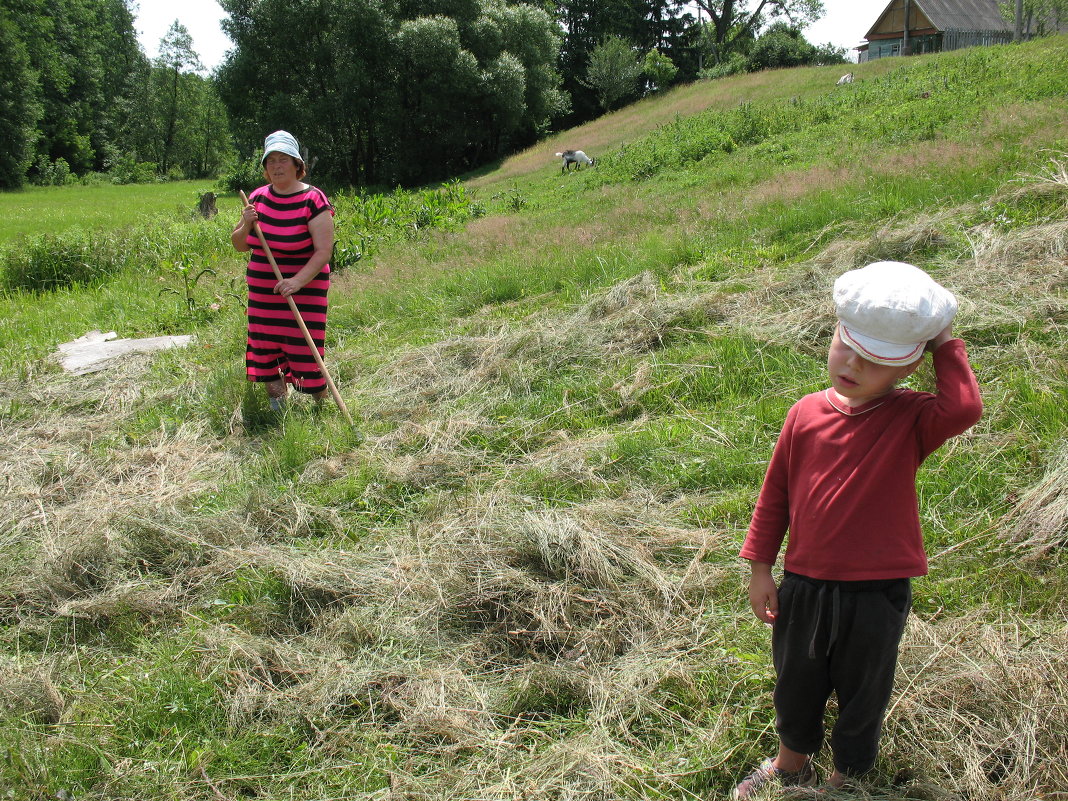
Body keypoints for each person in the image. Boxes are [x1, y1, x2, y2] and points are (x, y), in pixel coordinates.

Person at [733, 261, 983, 799]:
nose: (853, 366)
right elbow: (775, 494)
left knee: (863, 691)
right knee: (795, 685)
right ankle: (791, 761)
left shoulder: (911, 418)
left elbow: (964, 407)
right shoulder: (803, 414)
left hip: (876, 592)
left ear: (907, 369)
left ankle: (845, 777)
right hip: (804, 584)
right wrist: (760, 567)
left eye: (875, 363)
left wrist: (941, 335)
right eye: (847, 348)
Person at [231, 130, 335, 411]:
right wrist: (245, 223)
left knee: (305, 348)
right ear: (265, 168)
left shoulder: (313, 200)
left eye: (283, 160)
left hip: (305, 288)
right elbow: (240, 245)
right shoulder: (257, 199)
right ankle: (278, 407)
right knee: (265, 345)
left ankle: (321, 404)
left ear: (297, 165)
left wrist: (297, 282)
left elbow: (324, 251)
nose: (276, 166)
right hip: (264, 293)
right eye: (271, 161)